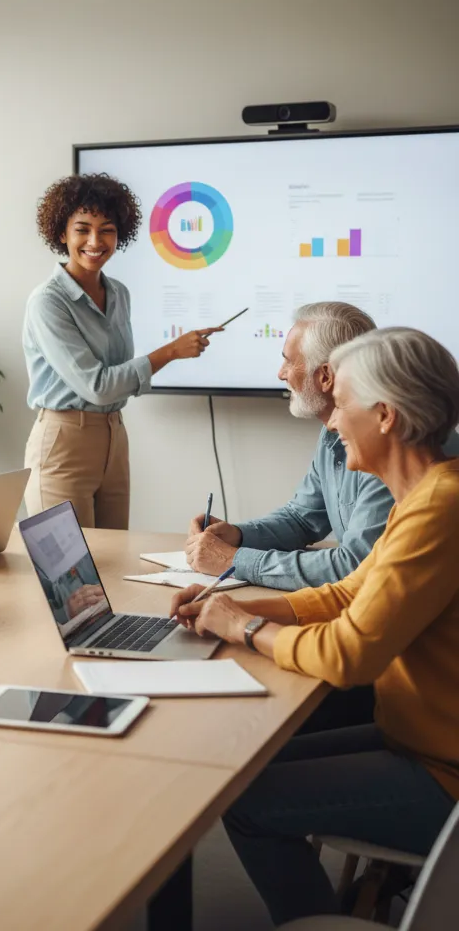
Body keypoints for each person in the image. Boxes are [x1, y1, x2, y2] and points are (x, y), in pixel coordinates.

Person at [169, 327, 459, 925]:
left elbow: (351, 654)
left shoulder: (440, 509)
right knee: (244, 771)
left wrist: (245, 629)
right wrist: (229, 606)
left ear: (385, 415)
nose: (332, 422)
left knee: (243, 800)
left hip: (443, 774)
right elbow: (348, 593)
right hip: (417, 740)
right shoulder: (428, 493)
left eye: (342, 405)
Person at [185, 302, 459, 589]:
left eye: (289, 361)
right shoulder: (336, 432)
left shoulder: (394, 448)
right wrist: (237, 536)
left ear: (326, 376)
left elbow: (354, 567)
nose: (281, 374)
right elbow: (303, 519)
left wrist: (234, 561)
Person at [23, 173, 222, 529]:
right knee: (69, 562)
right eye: (82, 230)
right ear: (61, 234)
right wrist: (170, 352)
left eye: (107, 230)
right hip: (63, 443)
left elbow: (116, 377)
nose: (95, 241)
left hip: (114, 437)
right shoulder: (48, 302)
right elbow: (97, 387)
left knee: (114, 556)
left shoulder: (118, 293)